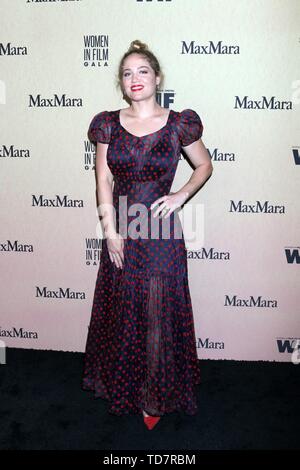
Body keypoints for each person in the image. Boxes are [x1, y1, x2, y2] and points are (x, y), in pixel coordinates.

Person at [81, 39, 213, 430]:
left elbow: (204, 166)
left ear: (157, 77)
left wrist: (180, 195)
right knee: (122, 307)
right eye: (127, 73)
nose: (134, 79)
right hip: (122, 225)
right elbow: (103, 179)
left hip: (159, 229)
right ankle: (126, 386)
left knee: (157, 311)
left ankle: (154, 395)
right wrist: (110, 232)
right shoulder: (107, 123)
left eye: (142, 71)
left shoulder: (179, 124)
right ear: (121, 83)